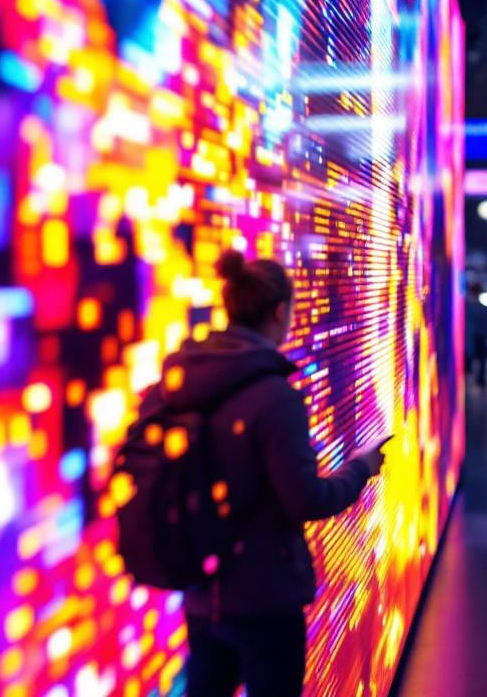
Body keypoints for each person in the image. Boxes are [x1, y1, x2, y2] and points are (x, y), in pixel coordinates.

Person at [164, 250, 388, 697]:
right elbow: (305, 498)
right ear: (281, 311)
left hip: (203, 589)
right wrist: (362, 467)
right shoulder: (273, 395)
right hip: (265, 595)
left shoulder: (182, 380)